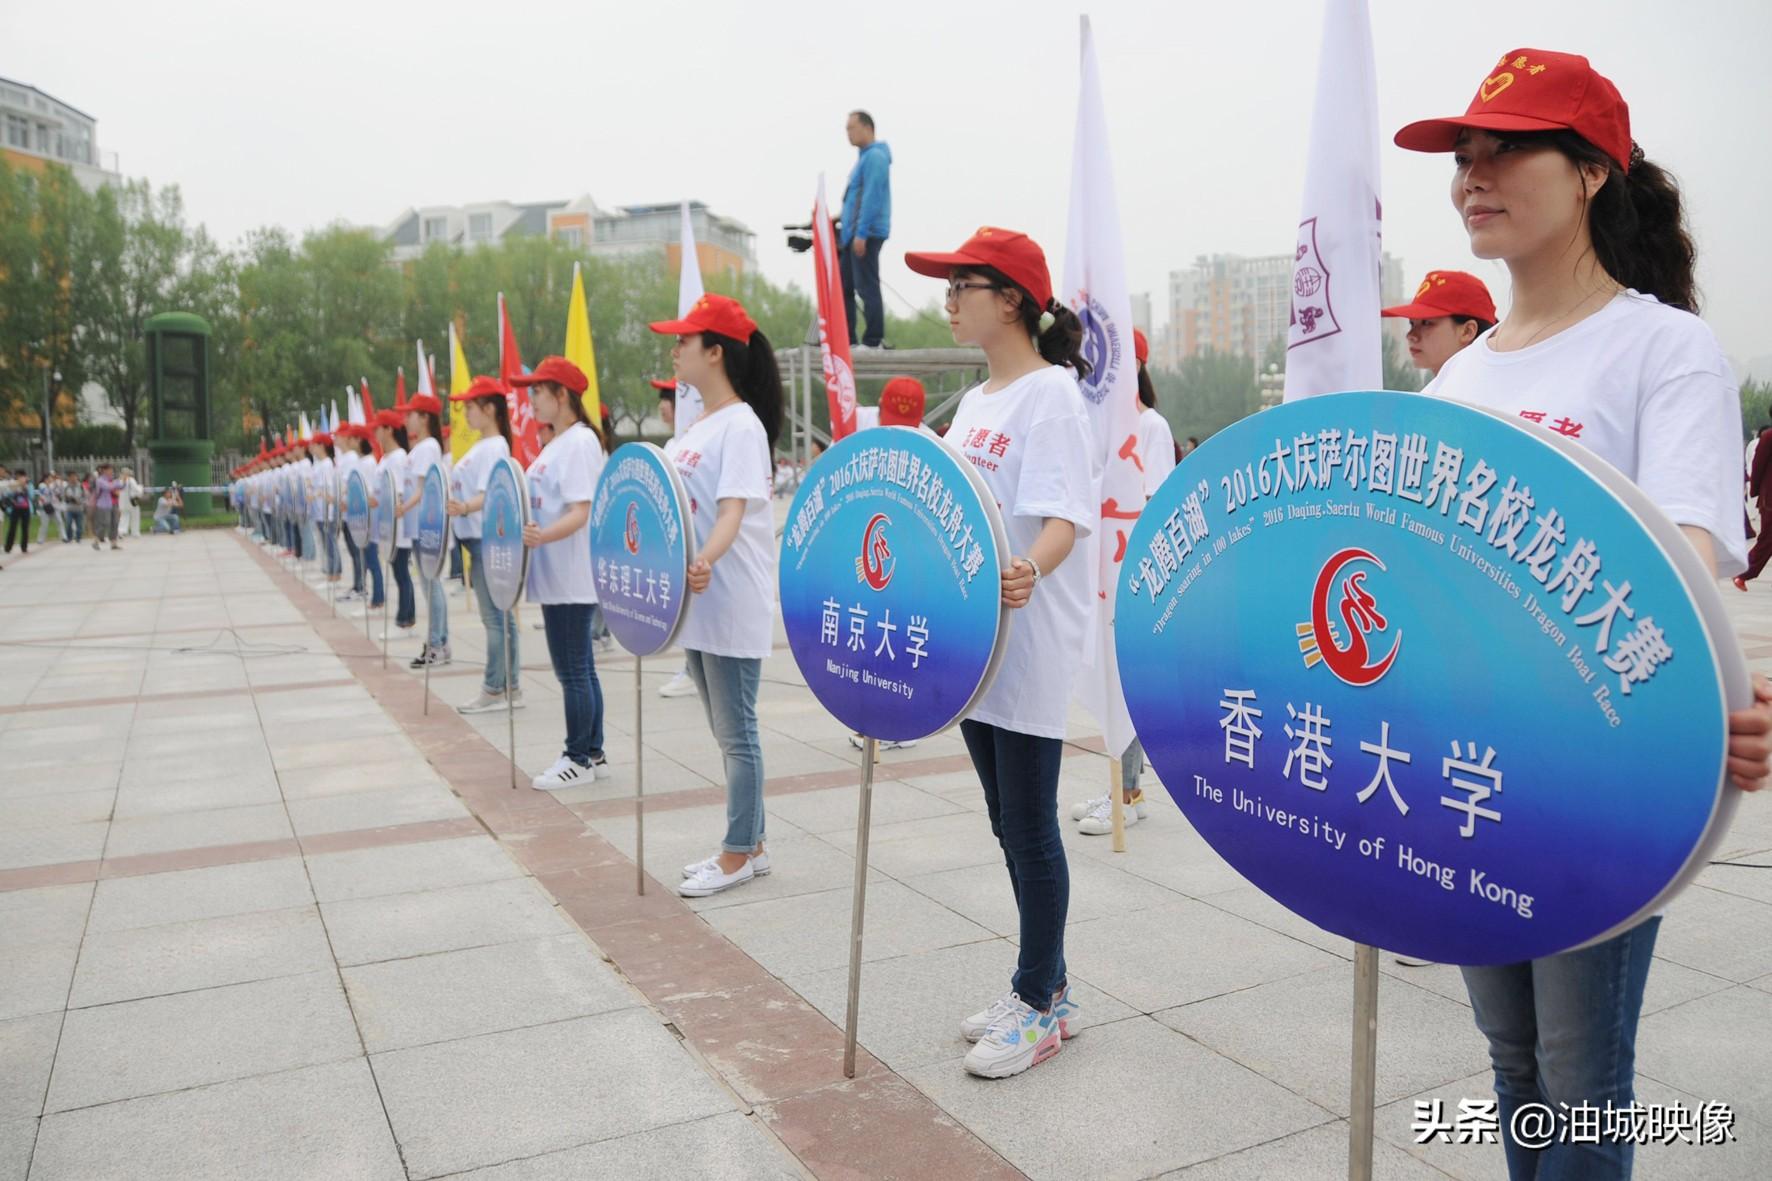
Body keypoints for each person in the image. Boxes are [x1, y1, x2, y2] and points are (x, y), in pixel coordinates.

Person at [1395, 47, 1772, 1178]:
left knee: (1579, 1071)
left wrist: (1716, 697)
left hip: (1586, 778)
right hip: (1457, 768)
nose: (1473, 173)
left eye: (1505, 149)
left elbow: (1683, 561)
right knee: (1508, 1057)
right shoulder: (1453, 383)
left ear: (1594, 170)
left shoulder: (1663, 349)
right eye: (1463, 156)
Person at [904, 227, 1096, 1078]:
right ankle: (1046, 987)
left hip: (1029, 641)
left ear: (1010, 298)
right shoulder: (977, 402)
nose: (949, 300)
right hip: (978, 649)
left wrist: (1027, 568)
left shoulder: (1050, 395)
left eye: (961, 285)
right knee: (1004, 821)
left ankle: (1037, 998)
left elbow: (1065, 517)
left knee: (1029, 822)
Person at [648, 294, 781, 898]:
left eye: (684, 340)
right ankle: (750, 843)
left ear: (715, 352)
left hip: (727, 595)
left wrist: (705, 558)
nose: (674, 349)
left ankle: (736, 855)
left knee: (737, 732)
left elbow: (732, 510)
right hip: (698, 598)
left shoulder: (742, 425)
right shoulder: (696, 428)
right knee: (725, 729)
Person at [1071, 328, 1174, 836]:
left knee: (1125, 687)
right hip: (1100, 575)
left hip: (1131, 578)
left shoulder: (1150, 428)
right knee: (1108, 684)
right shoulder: (1097, 431)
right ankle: (1122, 785)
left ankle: (1127, 795)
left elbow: (1152, 504)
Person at [512, 357, 609, 789]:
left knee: (572, 670)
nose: (530, 399)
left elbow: (581, 512)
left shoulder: (581, 443)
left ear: (561, 395)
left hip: (571, 576)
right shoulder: (560, 443)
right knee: (581, 668)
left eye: (537, 391)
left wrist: (540, 536)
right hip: (557, 575)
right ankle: (593, 751)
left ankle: (577, 759)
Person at [446, 375, 523, 713]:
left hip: (482, 540)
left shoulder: (495, 447)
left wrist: (463, 507)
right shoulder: (483, 446)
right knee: (501, 619)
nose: (465, 415)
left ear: (489, 409)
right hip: (474, 538)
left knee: (494, 619)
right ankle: (510, 685)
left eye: (470, 408)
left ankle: (495, 688)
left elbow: (490, 492)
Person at [652, 378, 700, 700]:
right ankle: (690, 667)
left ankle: (692, 671)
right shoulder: (673, 446)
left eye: (667, 398)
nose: (662, 406)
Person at [401, 392, 450, 667]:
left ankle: (437, 644)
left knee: (432, 586)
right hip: (417, 527)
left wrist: (402, 508)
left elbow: (422, 491)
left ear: (424, 417)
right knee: (429, 585)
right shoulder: (422, 447)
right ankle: (438, 642)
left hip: (425, 526)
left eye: (411, 414)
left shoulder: (428, 446)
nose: (406, 420)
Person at [839, 109, 893, 349]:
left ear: (867, 128)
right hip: (853, 233)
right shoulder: (863, 158)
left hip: (866, 234)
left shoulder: (875, 157)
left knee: (866, 286)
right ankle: (847, 339)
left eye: (852, 128)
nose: (848, 133)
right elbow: (856, 199)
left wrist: (861, 233)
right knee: (845, 287)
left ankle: (873, 340)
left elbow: (871, 197)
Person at [1382, 269, 1499, 377]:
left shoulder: (1485, 394)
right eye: (1412, 324)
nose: (1411, 335)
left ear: (1467, 331)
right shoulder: (1439, 391)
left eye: (1426, 323)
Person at [375, 406, 415, 633]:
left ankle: (404, 620)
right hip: (387, 524)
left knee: (401, 572)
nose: (376, 434)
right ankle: (405, 618)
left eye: (378, 429)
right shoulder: (386, 458)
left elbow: (399, 492)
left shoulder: (399, 458)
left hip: (398, 525)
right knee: (398, 571)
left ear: (388, 430)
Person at [89, 463, 121, 551]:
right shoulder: (100, 480)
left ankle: (114, 543)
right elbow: (109, 487)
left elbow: (121, 486)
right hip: (104, 505)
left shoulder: (112, 479)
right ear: (104, 471)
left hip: (114, 503)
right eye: (109, 470)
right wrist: (117, 483)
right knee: (104, 523)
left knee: (115, 523)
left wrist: (123, 481)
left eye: (112, 470)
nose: (111, 471)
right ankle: (96, 541)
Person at [2, 466, 30, 555]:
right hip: (15, 508)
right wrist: (17, 486)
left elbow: (31, 496)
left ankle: (24, 547)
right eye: (18, 476)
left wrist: (25, 487)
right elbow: (8, 493)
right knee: (12, 528)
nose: (20, 478)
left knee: (25, 528)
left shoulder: (28, 484)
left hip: (25, 508)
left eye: (22, 476)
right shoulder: (13, 483)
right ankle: (8, 547)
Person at [119, 468, 143, 537]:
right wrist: (141, 487)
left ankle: (122, 531)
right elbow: (137, 490)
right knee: (135, 517)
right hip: (132, 501)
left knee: (124, 517)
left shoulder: (120, 481)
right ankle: (135, 532)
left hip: (122, 502)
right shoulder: (131, 480)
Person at [61, 471, 84, 543]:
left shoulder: (80, 486)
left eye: (74, 476)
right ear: (69, 478)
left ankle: (78, 538)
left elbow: (84, 496)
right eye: (71, 477)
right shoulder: (66, 487)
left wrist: (80, 501)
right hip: (69, 508)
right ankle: (69, 537)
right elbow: (63, 497)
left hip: (79, 508)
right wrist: (70, 499)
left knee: (79, 525)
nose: (73, 478)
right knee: (68, 523)